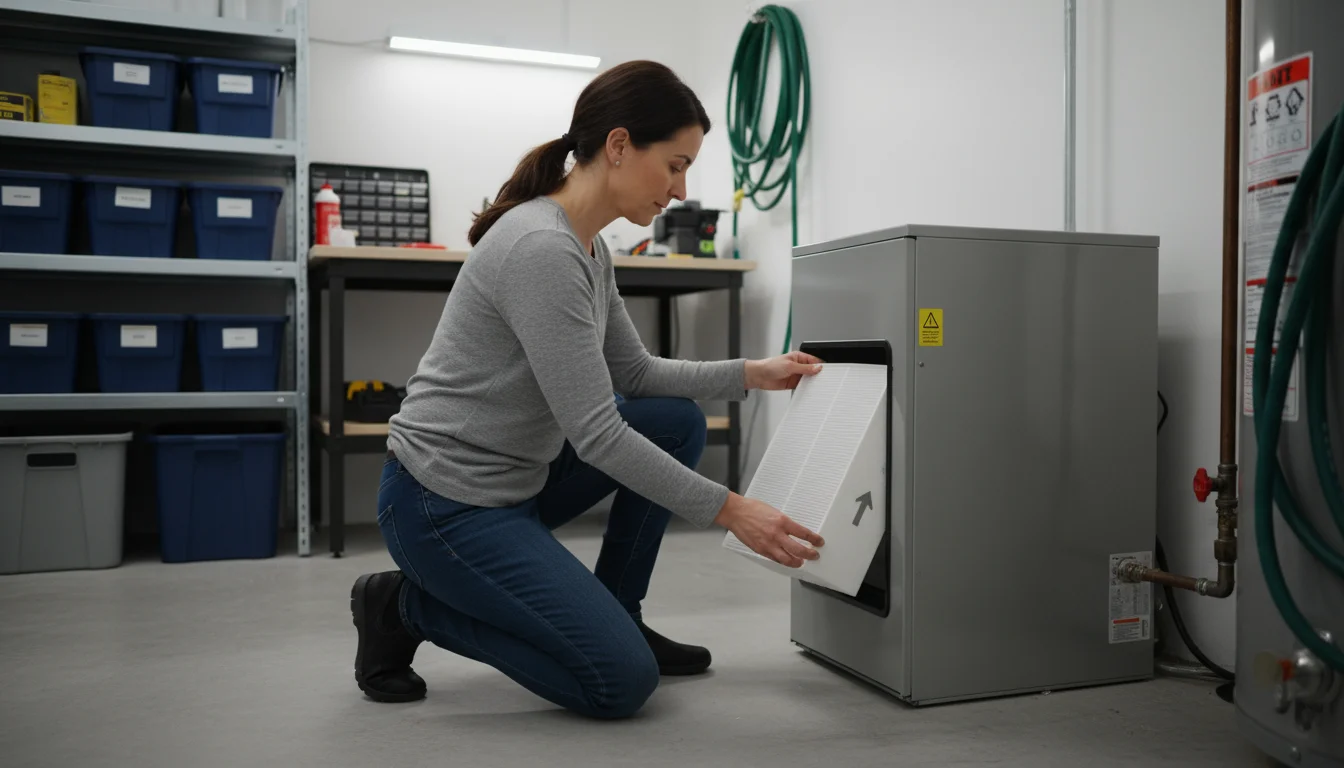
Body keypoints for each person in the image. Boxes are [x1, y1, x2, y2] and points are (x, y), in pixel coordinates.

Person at [350, 60, 825, 720]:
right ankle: (403, 606)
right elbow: (597, 432)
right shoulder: (542, 248)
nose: (682, 189)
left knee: (675, 419)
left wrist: (752, 373)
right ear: (620, 145)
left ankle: (620, 612)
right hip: (444, 503)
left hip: (516, 482)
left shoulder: (589, 247)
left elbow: (634, 377)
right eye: (676, 164)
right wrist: (733, 510)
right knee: (617, 682)